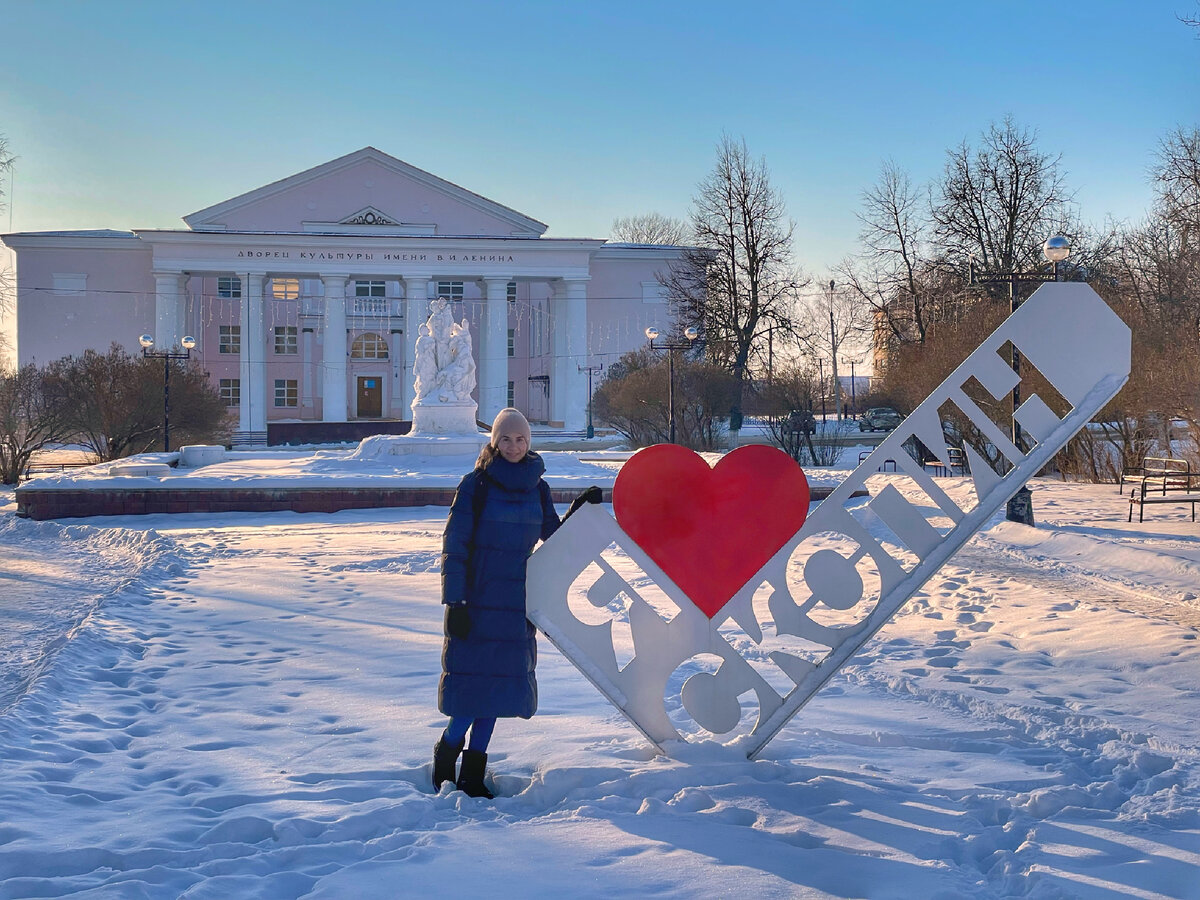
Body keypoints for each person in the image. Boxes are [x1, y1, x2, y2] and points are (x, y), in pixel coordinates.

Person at [434, 408, 600, 798]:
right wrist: (455, 601)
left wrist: (578, 513)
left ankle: (473, 771)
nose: (513, 445)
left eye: (521, 439)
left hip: (514, 604)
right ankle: (446, 753)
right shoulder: (475, 485)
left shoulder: (536, 487)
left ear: (530, 442)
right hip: (475, 601)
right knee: (472, 689)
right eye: (505, 439)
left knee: (497, 690)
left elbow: (552, 539)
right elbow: (454, 546)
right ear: (494, 441)